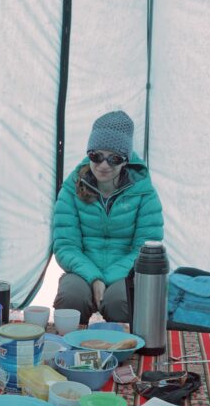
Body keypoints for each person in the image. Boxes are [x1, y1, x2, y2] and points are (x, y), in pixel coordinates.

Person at [52, 110, 163, 324]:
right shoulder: (71, 188)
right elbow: (66, 246)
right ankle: (70, 353)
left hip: (125, 272)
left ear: (126, 161)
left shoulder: (144, 192)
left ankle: (125, 353)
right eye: (96, 156)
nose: (103, 165)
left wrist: (106, 278)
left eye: (114, 158)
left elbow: (147, 249)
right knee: (70, 297)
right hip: (82, 270)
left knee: (120, 302)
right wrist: (93, 277)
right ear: (89, 153)